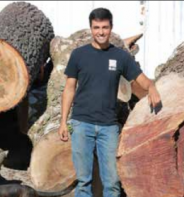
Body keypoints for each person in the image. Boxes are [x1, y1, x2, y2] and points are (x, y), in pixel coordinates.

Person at [58, 8, 161, 197]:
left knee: (112, 183)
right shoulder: (79, 55)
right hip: (81, 124)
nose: (101, 32)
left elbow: (141, 79)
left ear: (111, 28)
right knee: (83, 182)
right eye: (96, 27)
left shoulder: (120, 57)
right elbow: (69, 88)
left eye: (105, 27)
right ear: (91, 28)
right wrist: (64, 121)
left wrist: (152, 87)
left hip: (109, 128)